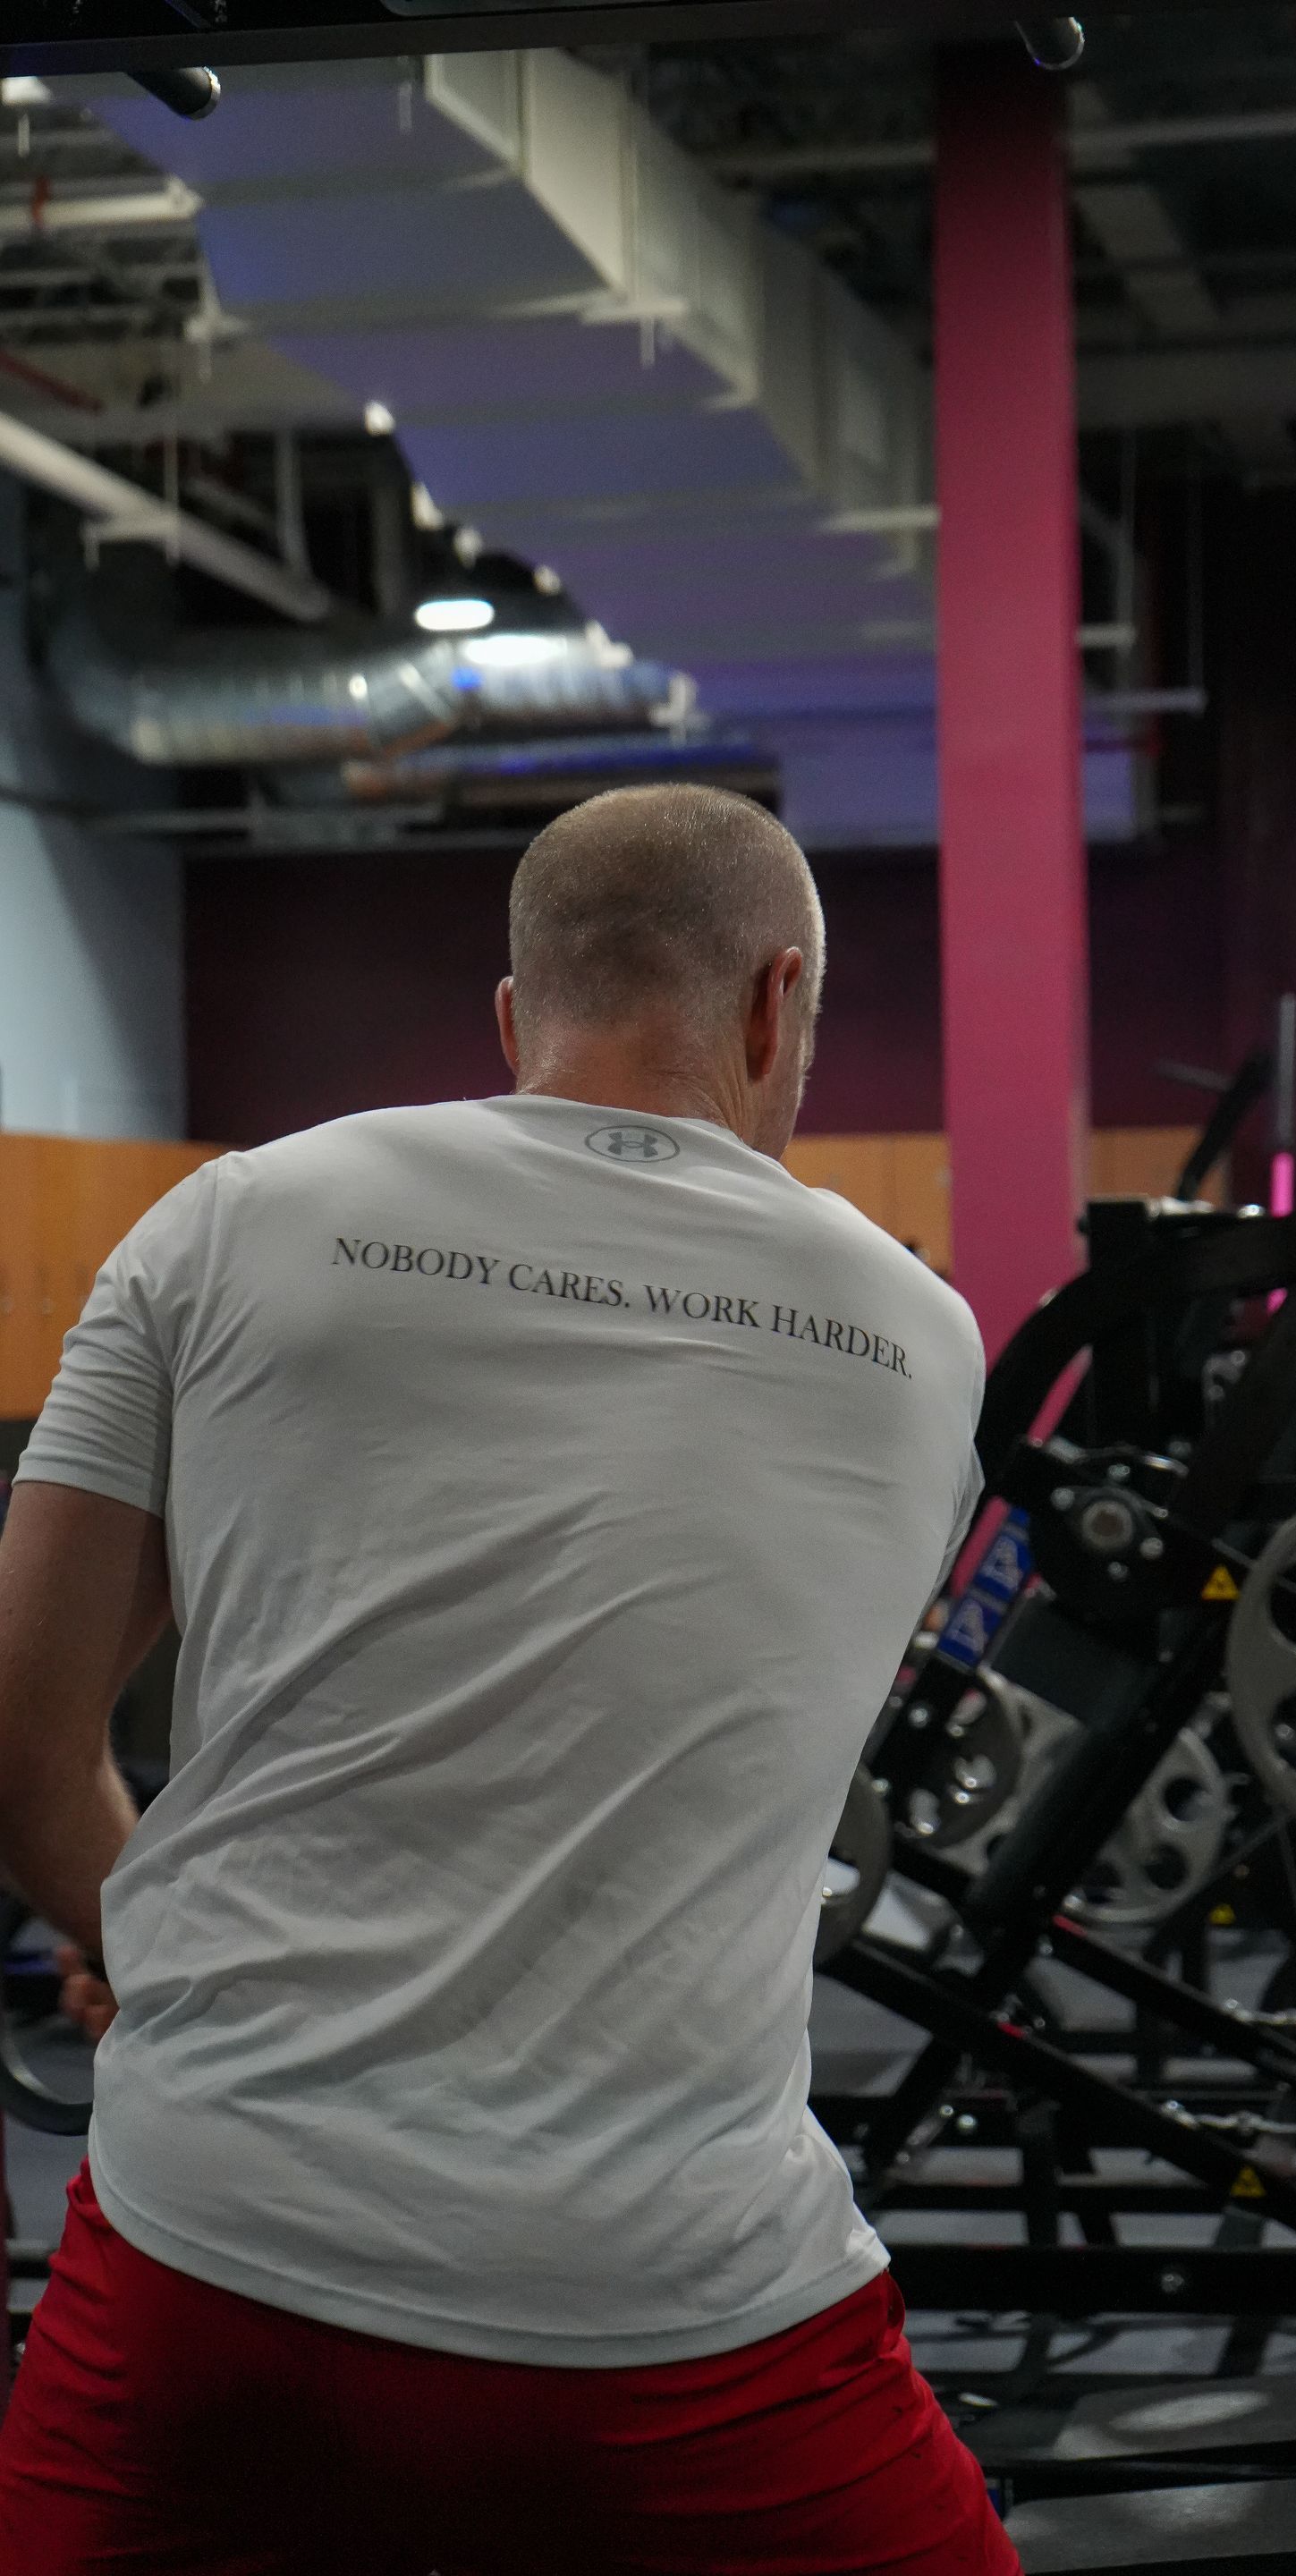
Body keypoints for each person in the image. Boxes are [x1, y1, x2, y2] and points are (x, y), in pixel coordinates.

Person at [0, 784, 1019, 2576]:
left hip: (213, 2264)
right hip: (689, 2322)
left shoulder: (224, 1222)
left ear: (509, 1020)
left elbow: (19, 1738)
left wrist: (147, 1942)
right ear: (779, 1005)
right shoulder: (924, 1346)